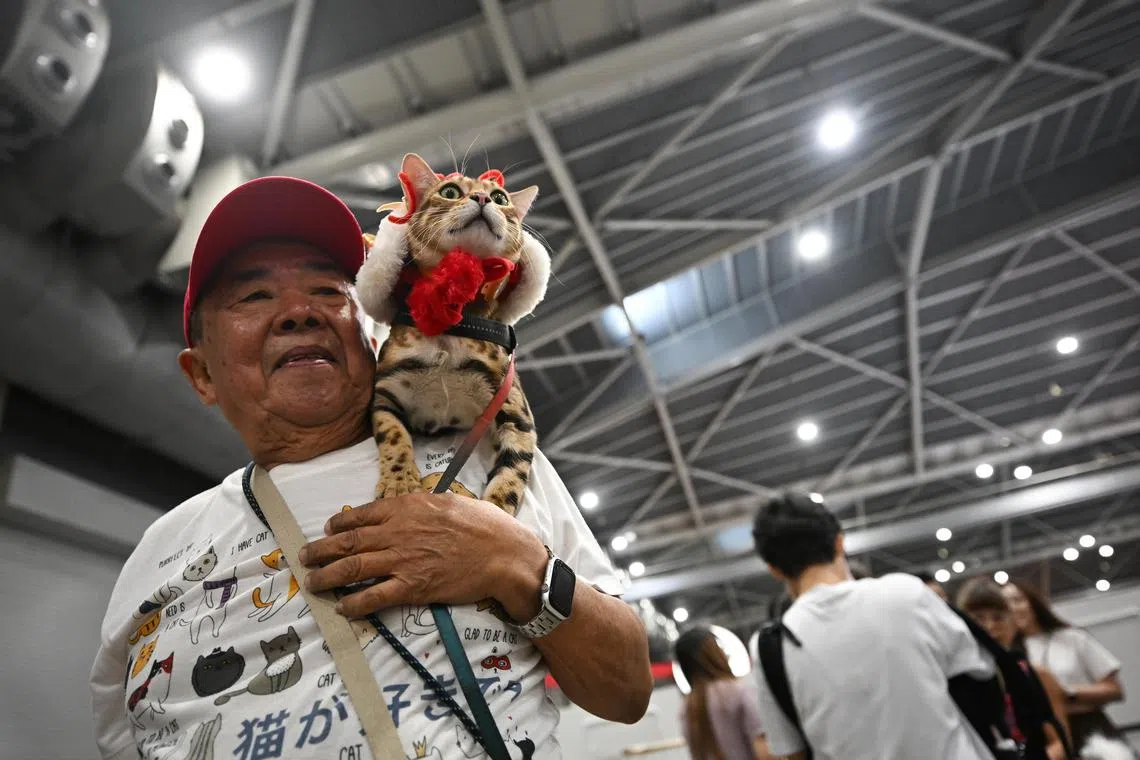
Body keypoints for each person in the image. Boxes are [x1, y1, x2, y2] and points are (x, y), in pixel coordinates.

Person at [89, 176, 653, 759]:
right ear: (201, 374)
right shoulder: (159, 554)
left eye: (330, 291)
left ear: (373, 329)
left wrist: (513, 562)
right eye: (253, 297)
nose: (299, 312)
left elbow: (627, 689)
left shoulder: (494, 457)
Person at [748, 492, 998, 760]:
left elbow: (791, 752)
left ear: (773, 568)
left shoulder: (771, 647)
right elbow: (979, 672)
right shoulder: (906, 593)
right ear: (840, 542)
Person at [1004, 580, 1127, 753]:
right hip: (1043, 738)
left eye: (1018, 600)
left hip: (1090, 731)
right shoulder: (1007, 655)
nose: (1013, 609)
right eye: (1005, 605)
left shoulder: (1072, 638)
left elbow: (1114, 690)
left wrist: (1064, 693)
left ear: (1033, 601)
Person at [957, 578, 1072, 760]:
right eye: (978, 618)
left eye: (998, 617)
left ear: (1012, 622)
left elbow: (1059, 742)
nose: (989, 626)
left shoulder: (1035, 674)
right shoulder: (959, 682)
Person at [674, 628, 772, 760]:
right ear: (713, 653)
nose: (725, 653)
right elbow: (764, 751)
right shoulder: (739, 691)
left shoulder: (686, 708)